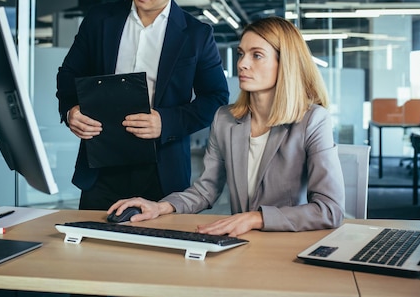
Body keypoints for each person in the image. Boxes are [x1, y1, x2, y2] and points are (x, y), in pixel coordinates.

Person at [108, 16, 345, 236]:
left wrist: (256, 218)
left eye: (257, 55)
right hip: (242, 241)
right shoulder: (225, 119)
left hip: (288, 241)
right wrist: (160, 207)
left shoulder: (313, 120)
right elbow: (206, 190)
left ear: (285, 63)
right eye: (241, 54)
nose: (242, 64)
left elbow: (329, 209)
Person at [56, 0, 229, 210]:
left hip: (162, 171)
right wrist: (71, 110)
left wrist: (166, 121)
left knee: (158, 251)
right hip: (101, 167)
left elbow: (216, 99)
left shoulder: (197, 35)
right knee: (93, 250)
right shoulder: (100, 20)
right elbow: (69, 74)